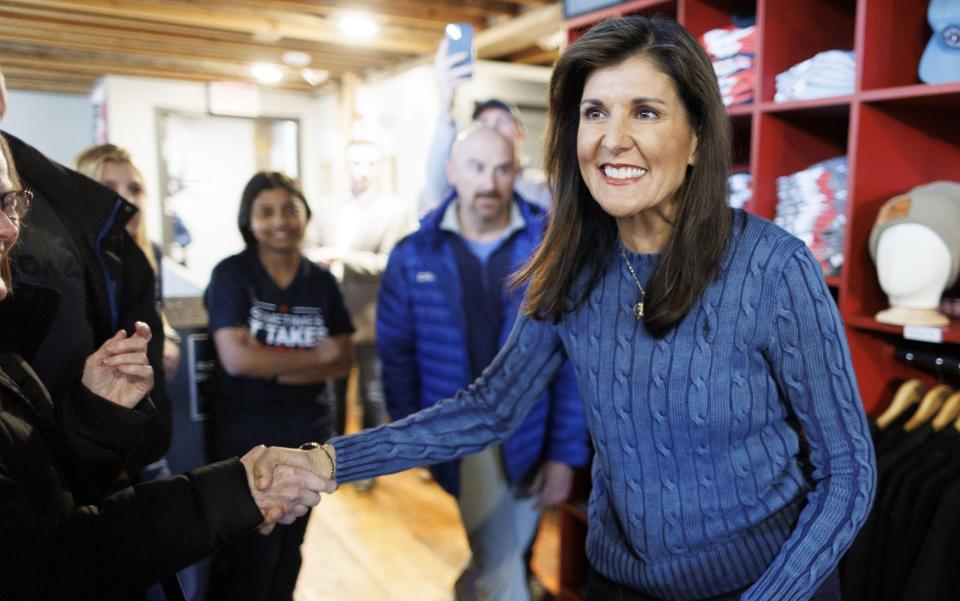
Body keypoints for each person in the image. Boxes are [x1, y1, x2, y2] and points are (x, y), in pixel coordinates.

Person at [259, 16, 877, 601]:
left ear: (696, 138)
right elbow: (488, 408)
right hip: (618, 583)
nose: (613, 139)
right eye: (594, 112)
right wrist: (329, 459)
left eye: (646, 111)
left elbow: (848, 471)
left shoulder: (772, 266)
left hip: (762, 582)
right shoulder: (572, 266)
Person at [0, 133, 330, 601]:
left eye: (9, 202)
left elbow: (47, 482)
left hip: (138, 439)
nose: (9, 228)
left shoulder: (139, 257)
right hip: (147, 458)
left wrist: (97, 413)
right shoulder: (232, 275)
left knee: (281, 558)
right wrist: (234, 493)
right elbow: (44, 560)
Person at [378, 124, 588, 601]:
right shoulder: (414, 254)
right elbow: (397, 357)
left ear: (518, 172)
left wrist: (562, 454)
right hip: (457, 432)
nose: (489, 182)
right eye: (476, 167)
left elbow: (574, 359)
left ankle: (469, 588)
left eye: (501, 168)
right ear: (452, 172)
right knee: (500, 558)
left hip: (530, 431)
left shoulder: (551, 247)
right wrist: (414, 439)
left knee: (500, 563)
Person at [1, 69, 170, 472]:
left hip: (92, 447)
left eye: (9, 205)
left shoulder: (122, 244)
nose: (8, 229)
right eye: (110, 186)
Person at [204, 171, 354, 601]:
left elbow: (342, 357)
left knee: (291, 547)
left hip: (309, 436)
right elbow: (236, 358)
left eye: (290, 209)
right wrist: (312, 360)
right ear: (248, 220)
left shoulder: (321, 282)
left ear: (305, 214)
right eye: (265, 211)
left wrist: (269, 365)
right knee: (251, 550)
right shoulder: (232, 274)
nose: (280, 221)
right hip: (244, 437)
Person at [305, 140, 412, 488]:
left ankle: (366, 467)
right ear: (345, 165)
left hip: (373, 319)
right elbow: (306, 247)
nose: (362, 171)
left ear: (379, 167)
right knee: (331, 392)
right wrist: (319, 256)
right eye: (356, 163)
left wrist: (344, 257)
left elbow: (394, 263)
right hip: (330, 318)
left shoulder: (395, 211)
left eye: (369, 164)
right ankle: (332, 461)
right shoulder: (324, 206)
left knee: (372, 394)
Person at [72, 144, 181, 381]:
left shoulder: (149, 253)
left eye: (134, 189)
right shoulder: (69, 260)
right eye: (107, 188)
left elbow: (152, 308)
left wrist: (168, 338)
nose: (127, 199)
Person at [420, 38, 551, 215]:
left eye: (502, 121)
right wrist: (446, 104)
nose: (492, 127)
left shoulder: (541, 189)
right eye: (483, 122)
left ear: (521, 134)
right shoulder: (463, 185)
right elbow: (437, 189)